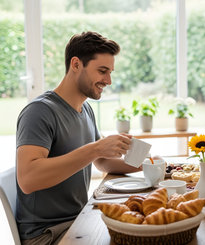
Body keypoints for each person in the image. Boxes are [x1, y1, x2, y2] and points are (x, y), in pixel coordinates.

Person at [16, 31, 142, 245]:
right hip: (48, 234)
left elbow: (101, 161)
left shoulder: (85, 110)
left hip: (79, 220)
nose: (109, 81)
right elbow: (28, 179)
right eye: (102, 71)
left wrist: (145, 164)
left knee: (145, 229)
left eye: (110, 72)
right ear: (76, 64)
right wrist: (95, 148)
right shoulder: (40, 111)